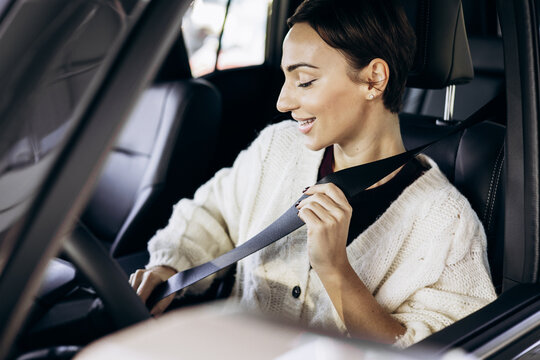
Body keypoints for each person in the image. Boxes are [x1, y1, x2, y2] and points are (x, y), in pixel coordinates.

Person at [129, 0, 496, 348]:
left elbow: (435, 350)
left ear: (374, 79)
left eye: (304, 81)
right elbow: (211, 215)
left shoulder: (447, 223)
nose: (283, 102)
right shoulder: (277, 148)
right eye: (286, 80)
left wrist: (336, 271)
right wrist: (169, 267)